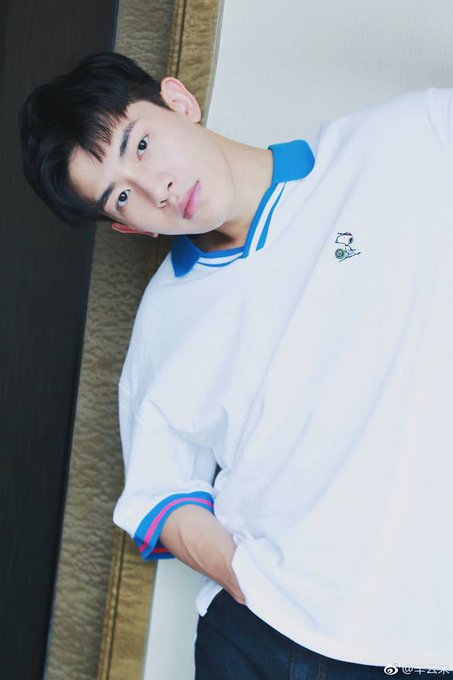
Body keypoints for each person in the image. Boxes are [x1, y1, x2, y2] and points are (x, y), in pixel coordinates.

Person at [19, 51, 453, 678]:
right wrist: (247, 578)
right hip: (271, 643)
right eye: (122, 196)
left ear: (178, 101)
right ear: (127, 228)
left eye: (141, 144)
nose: (158, 189)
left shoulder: (407, 139)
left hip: (427, 633)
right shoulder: (163, 324)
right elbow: (160, 496)